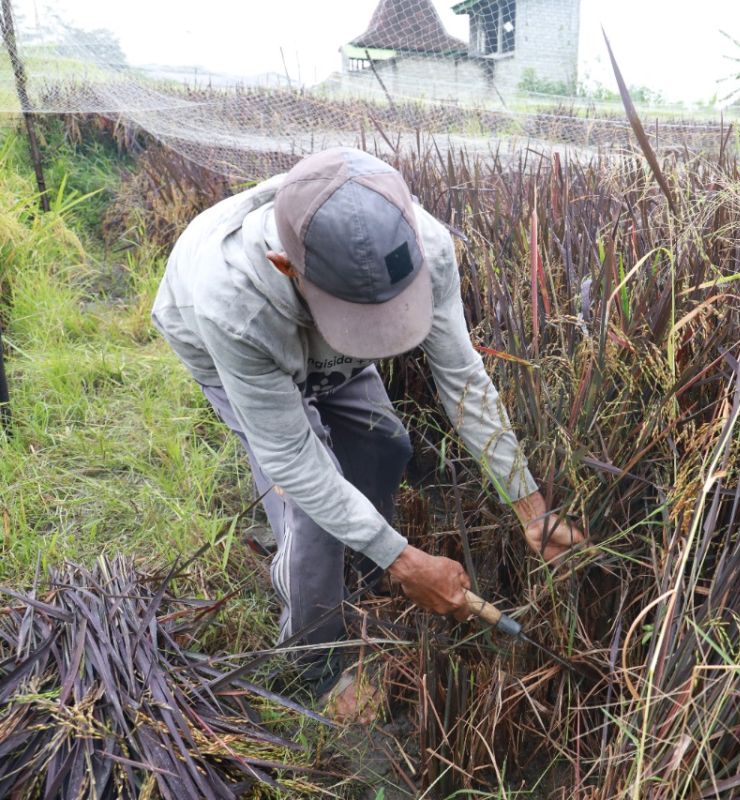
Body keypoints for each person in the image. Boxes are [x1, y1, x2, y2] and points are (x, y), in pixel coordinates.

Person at [151, 147, 585, 717]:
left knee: (385, 445)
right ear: (288, 268)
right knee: (311, 510)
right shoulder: (232, 303)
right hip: (228, 342)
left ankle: (361, 568)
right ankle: (316, 658)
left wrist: (531, 508)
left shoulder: (424, 247)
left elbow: (463, 382)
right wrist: (409, 562)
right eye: (363, 321)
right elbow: (295, 462)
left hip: (314, 333)